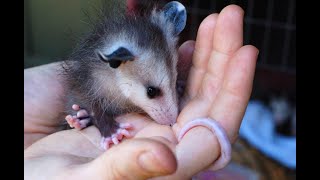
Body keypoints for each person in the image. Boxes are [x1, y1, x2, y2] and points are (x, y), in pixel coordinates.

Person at [24, 4, 258, 180]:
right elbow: (86, 97)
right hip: (85, 114)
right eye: (152, 91)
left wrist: (167, 86)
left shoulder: (144, 65)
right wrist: (106, 128)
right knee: (81, 109)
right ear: (119, 62)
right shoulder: (100, 76)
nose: (171, 114)